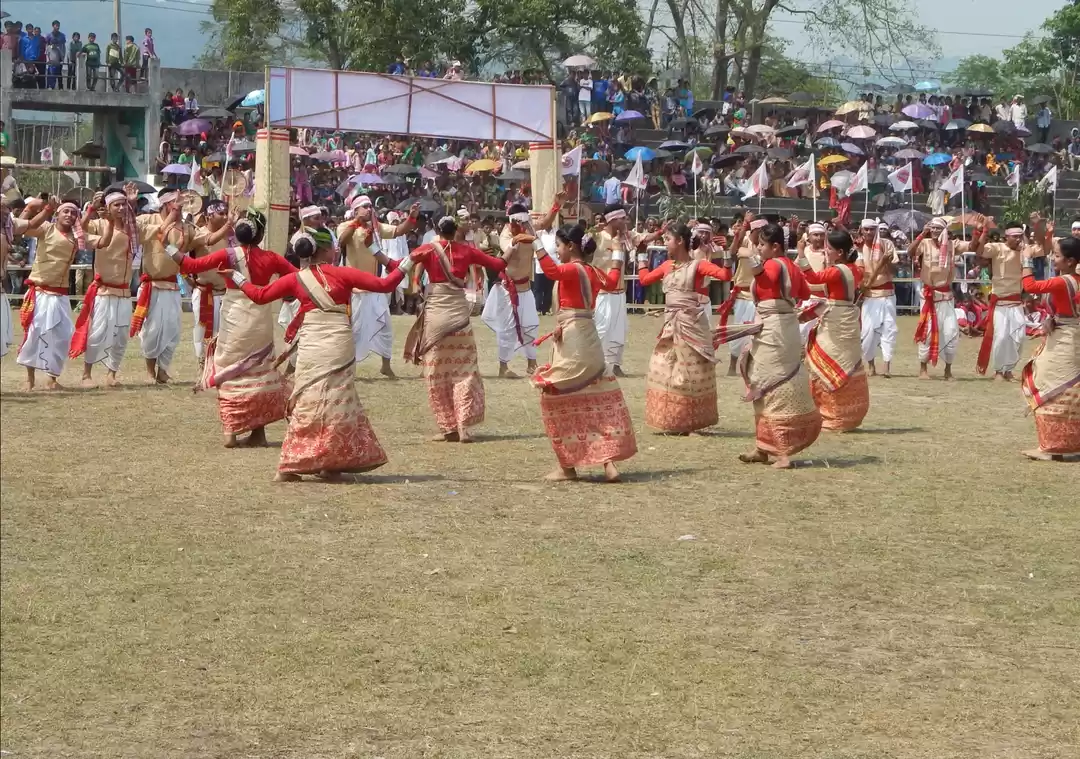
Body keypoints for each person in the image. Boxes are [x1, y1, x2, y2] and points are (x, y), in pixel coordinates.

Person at [226, 228, 416, 481]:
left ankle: (294, 464)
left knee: (308, 400)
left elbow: (260, 296)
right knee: (337, 401)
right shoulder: (343, 273)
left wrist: (238, 279)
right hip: (338, 342)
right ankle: (330, 463)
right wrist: (409, 262)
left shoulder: (296, 279)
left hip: (311, 345)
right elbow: (385, 284)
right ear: (326, 250)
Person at [164, 209, 297, 447]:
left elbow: (191, 265)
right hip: (260, 318)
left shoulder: (227, 255)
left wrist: (168, 246)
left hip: (234, 316)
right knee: (259, 371)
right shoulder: (272, 258)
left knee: (229, 369)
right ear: (261, 235)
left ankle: (231, 432)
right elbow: (297, 278)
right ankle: (258, 432)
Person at [530, 224, 636, 482]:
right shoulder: (592, 271)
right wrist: (618, 253)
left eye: (558, 245)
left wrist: (535, 242)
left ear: (571, 247)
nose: (556, 250)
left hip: (573, 340)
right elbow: (613, 281)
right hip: (588, 338)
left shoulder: (572, 270)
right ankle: (608, 465)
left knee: (556, 398)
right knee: (593, 396)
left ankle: (567, 467)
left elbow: (551, 271)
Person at [715, 223, 821, 469]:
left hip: (774, 329)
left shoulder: (773, 264)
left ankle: (782, 452)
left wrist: (750, 259)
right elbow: (804, 293)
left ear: (775, 247)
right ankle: (763, 447)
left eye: (762, 244)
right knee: (769, 383)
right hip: (783, 328)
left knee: (770, 386)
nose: (759, 248)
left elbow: (766, 279)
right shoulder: (792, 266)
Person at [404, 215, 509, 443]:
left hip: (436, 319)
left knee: (436, 373)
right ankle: (463, 427)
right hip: (460, 318)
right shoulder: (467, 251)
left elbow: (409, 264)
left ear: (436, 230)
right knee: (465, 370)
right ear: (456, 230)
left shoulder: (428, 249)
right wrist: (515, 246)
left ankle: (447, 428)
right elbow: (499, 265)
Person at [636, 223, 730, 434]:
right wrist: (641, 256)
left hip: (691, 324)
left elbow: (724, 276)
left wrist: (727, 253)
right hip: (672, 324)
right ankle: (672, 419)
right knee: (664, 367)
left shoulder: (697, 265)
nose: (665, 243)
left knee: (691, 372)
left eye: (668, 239)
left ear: (679, 241)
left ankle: (694, 422)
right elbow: (643, 280)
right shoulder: (667, 266)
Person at [18, 198, 112, 390]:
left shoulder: (77, 237)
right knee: (35, 334)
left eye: (73, 213)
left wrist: (109, 221)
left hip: (60, 295)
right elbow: (22, 227)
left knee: (62, 336)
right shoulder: (46, 228)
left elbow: (103, 241)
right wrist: (42, 209)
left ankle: (52, 379)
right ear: (57, 214)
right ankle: (30, 378)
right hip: (40, 291)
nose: (69, 215)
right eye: (65, 211)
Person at [336, 195, 418, 378]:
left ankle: (385, 365)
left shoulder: (376, 227)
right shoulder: (346, 226)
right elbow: (342, 240)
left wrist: (411, 217)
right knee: (355, 331)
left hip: (374, 286)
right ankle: (350, 369)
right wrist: (356, 222)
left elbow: (398, 230)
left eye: (370, 206)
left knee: (386, 328)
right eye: (365, 206)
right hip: (355, 289)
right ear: (356, 209)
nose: (369, 209)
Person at [798, 229, 870, 432]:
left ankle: (830, 413)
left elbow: (813, 278)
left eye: (828, 248)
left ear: (839, 252)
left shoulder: (837, 271)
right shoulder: (855, 269)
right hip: (846, 318)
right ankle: (844, 414)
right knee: (847, 361)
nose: (825, 251)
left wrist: (801, 253)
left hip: (836, 320)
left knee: (820, 360)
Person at [482, 198, 562, 378]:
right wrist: (518, 239)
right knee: (507, 328)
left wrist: (556, 205)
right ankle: (503, 367)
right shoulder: (506, 234)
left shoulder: (529, 228)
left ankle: (531, 364)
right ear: (512, 222)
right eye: (520, 223)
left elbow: (546, 222)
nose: (523, 225)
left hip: (525, 288)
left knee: (530, 325)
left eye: (525, 223)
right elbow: (507, 250)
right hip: (507, 290)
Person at [1019, 234, 1079, 460]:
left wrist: (1026, 260)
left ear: (1070, 261)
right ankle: (1064, 445)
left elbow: (1030, 285)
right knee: (1067, 388)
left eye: (1057, 256)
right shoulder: (1074, 280)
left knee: (1049, 384)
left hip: (1066, 340)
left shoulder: (1064, 282)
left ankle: (1053, 447)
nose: (1054, 259)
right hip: (1071, 337)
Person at [69, 191, 135, 387]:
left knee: (122, 335)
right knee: (97, 333)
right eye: (117, 205)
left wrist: (132, 202)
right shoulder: (99, 225)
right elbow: (78, 229)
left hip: (124, 292)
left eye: (124, 204)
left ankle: (111, 374)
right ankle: (86, 375)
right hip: (104, 291)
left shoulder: (133, 228)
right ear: (108, 207)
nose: (121, 208)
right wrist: (91, 208)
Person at [127, 185, 191, 383]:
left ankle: (163, 371)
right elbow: (129, 227)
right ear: (165, 203)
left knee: (172, 330)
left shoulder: (185, 227)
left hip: (172, 287)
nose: (180, 206)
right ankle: (149, 371)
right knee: (152, 330)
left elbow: (202, 241)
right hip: (151, 286)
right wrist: (130, 203)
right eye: (175, 202)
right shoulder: (148, 219)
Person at [974, 216, 1049, 380]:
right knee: (1001, 337)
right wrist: (984, 230)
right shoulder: (997, 248)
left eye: (1019, 235)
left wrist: (1038, 225)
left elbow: (1045, 248)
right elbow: (979, 251)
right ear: (1006, 236)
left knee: (1019, 337)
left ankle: (1008, 370)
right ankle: (999, 371)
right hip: (1000, 302)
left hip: (1016, 303)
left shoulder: (1025, 250)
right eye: (1014, 236)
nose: (1017, 239)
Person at [592, 204, 663, 376]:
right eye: (622, 219)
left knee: (619, 330)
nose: (626, 222)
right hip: (601, 294)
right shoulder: (596, 237)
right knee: (602, 329)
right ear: (612, 220)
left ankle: (615, 365)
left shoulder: (626, 236)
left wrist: (660, 232)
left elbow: (645, 238)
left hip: (619, 293)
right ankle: (598, 365)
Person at [910, 218, 959, 380]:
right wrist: (922, 234)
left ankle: (948, 369)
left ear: (944, 230)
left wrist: (981, 230)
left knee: (951, 332)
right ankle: (923, 369)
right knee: (927, 333)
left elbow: (973, 248)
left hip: (946, 297)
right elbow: (910, 252)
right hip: (929, 296)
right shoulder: (924, 243)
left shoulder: (952, 245)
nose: (935, 231)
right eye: (933, 228)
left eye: (938, 228)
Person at [187, 200, 234, 371]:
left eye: (225, 213)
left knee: (224, 333)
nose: (224, 216)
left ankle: (218, 367)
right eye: (220, 213)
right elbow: (211, 240)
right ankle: (203, 366)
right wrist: (187, 278)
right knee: (202, 331)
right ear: (208, 216)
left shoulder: (230, 236)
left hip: (225, 292)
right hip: (204, 292)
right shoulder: (199, 234)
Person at [717, 212, 765, 377]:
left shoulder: (768, 247)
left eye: (763, 230)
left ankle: (751, 368)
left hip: (761, 297)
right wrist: (744, 226)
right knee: (738, 332)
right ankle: (732, 366)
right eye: (757, 229)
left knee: (757, 334)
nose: (760, 233)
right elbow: (731, 252)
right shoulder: (744, 242)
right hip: (743, 296)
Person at [856, 217, 900, 378]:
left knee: (889, 329)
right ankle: (871, 365)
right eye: (866, 229)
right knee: (867, 332)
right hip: (869, 295)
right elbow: (859, 274)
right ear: (861, 230)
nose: (869, 232)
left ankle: (886, 366)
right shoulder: (858, 247)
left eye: (872, 229)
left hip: (887, 294)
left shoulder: (886, 244)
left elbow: (894, 270)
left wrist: (885, 262)